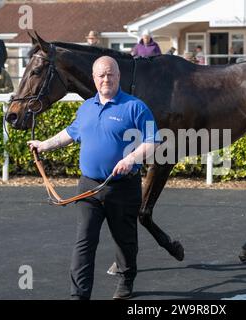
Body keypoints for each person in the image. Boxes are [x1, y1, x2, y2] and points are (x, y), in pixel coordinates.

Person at [27, 56, 159, 300]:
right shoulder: (86, 107)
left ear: (119, 77)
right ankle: (78, 295)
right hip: (88, 187)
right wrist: (44, 145)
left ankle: (126, 279)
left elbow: (153, 141)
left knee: (125, 240)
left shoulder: (135, 107)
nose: (106, 79)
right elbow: (70, 133)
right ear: (94, 78)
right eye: (101, 75)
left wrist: (131, 158)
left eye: (110, 74)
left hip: (123, 188)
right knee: (84, 242)